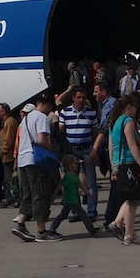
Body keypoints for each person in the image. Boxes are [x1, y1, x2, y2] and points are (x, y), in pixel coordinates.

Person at [12, 95, 60, 242]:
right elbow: (41, 140)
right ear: (46, 105)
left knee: (27, 194)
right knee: (40, 193)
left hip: (23, 160)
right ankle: (42, 231)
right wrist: (51, 148)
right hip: (35, 160)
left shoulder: (25, 119)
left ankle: (20, 223)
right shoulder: (41, 118)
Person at [107, 95, 140, 245]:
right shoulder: (128, 121)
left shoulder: (114, 122)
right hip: (128, 162)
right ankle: (129, 234)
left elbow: (111, 146)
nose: (136, 110)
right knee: (132, 200)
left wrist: (113, 166)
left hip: (118, 162)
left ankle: (118, 223)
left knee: (130, 196)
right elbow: (132, 144)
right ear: (129, 106)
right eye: (135, 107)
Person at [57, 87, 99, 219]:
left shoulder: (91, 113)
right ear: (73, 98)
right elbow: (61, 131)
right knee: (72, 183)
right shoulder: (65, 112)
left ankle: (92, 211)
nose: (81, 100)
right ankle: (77, 212)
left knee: (91, 181)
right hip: (71, 151)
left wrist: (94, 149)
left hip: (86, 149)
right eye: (79, 97)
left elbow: (95, 132)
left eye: (83, 98)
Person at [50, 154, 100, 237]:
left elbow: (81, 186)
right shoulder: (67, 176)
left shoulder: (74, 176)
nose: (77, 165)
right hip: (70, 200)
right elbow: (59, 185)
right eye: (75, 164)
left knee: (63, 215)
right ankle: (92, 230)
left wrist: (89, 194)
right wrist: (54, 195)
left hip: (72, 200)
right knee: (83, 214)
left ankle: (52, 228)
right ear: (69, 165)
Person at [0, 103, 18, 208]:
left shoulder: (9, 122)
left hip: (9, 155)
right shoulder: (5, 122)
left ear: (3, 112)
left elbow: (8, 138)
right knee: (7, 178)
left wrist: (3, 149)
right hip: (6, 155)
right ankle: (9, 198)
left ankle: (14, 199)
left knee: (11, 178)